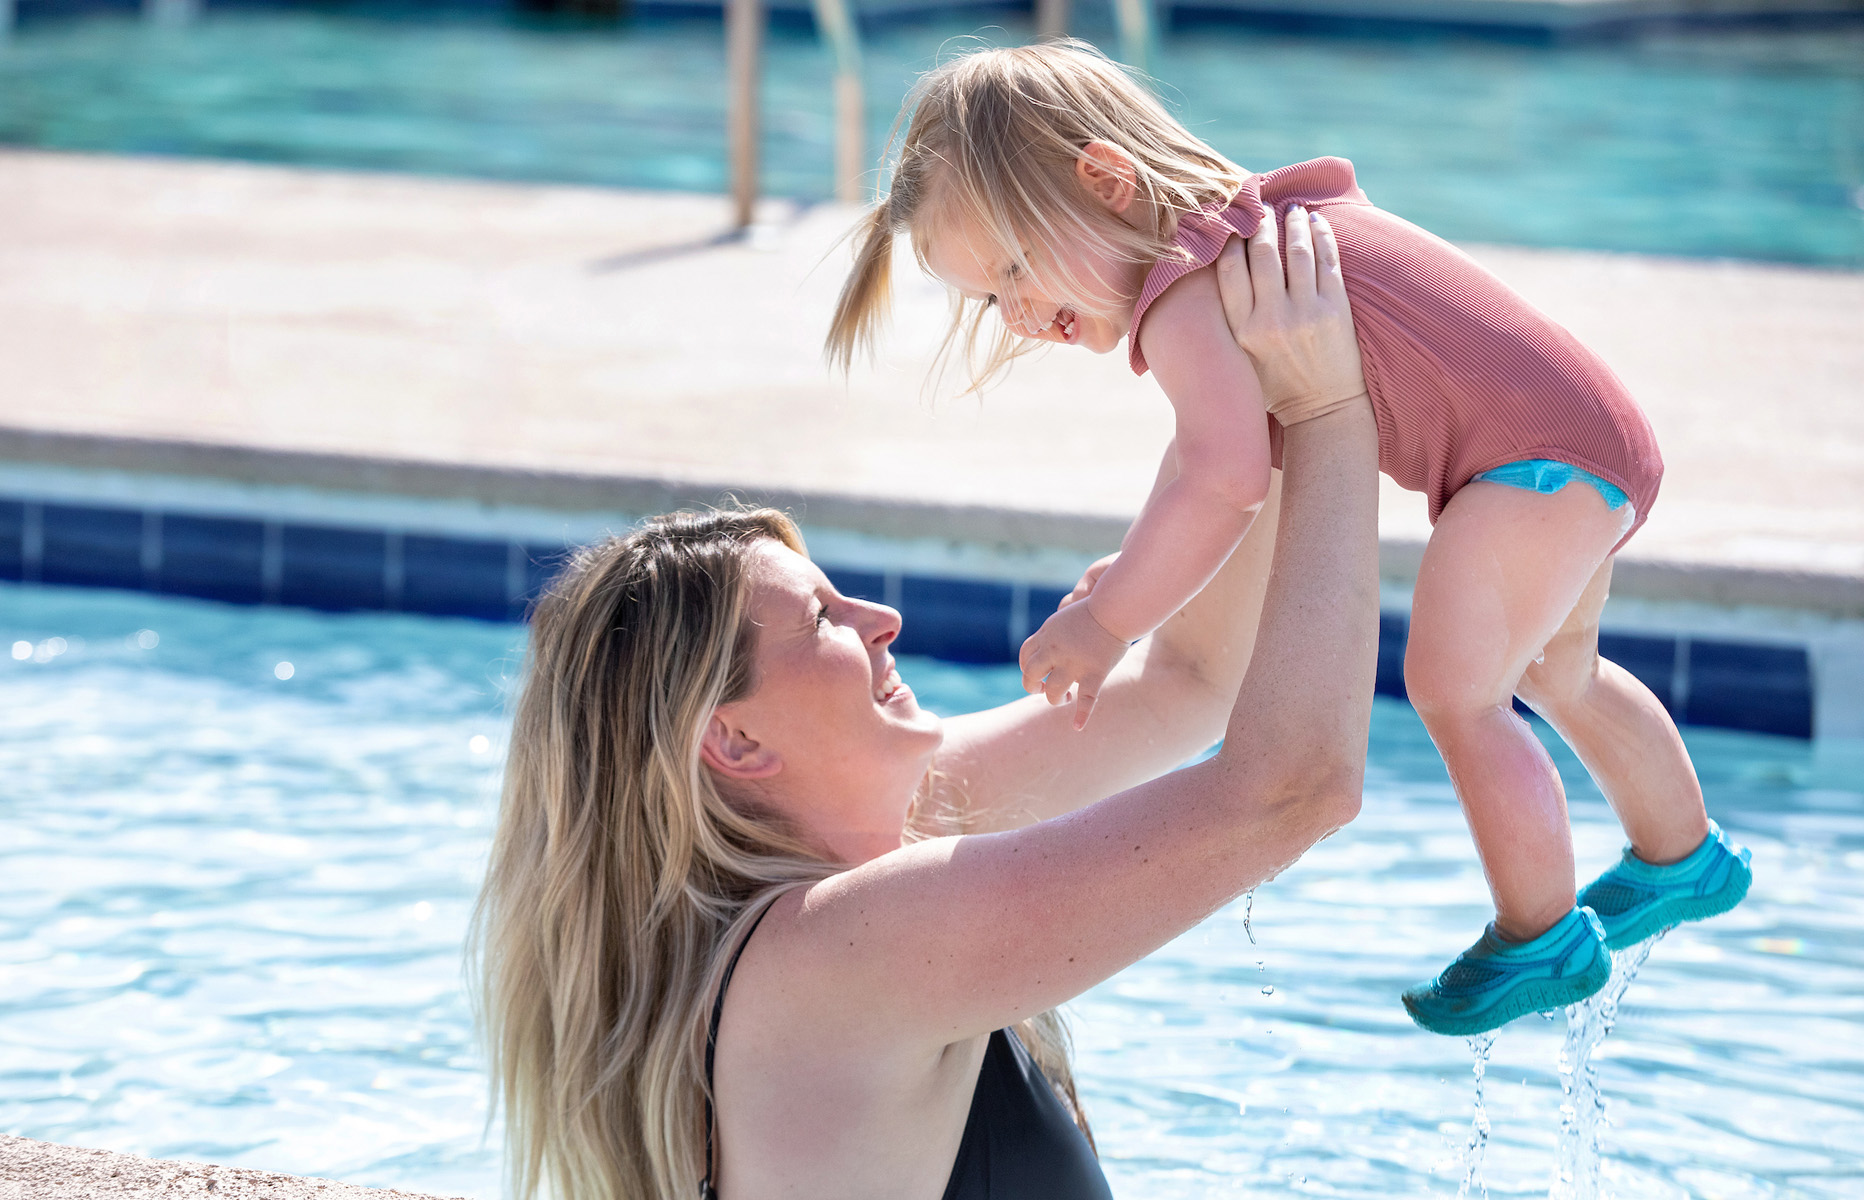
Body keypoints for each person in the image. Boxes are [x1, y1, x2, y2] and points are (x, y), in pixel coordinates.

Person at [823, 40, 1750, 1036]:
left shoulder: (1186, 292)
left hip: (1529, 468)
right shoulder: (1247, 237)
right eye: (988, 296)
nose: (1013, 314)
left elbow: (1222, 478)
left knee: (1457, 689)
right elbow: (1218, 466)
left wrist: (1107, 621)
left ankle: (1540, 933)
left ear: (1105, 181)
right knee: (1560, 670)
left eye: (1012, 268)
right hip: (1585, 443)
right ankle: (1682, 856)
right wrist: (1141, 573)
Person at [469, 214, 1377, 1200]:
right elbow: (1293, 791)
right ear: (732, 737)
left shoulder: (866, 869)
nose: (884, 619)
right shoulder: (842, 951)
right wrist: (1331, 410)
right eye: (823, 618)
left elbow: (1185, 683)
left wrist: (1251, 391)